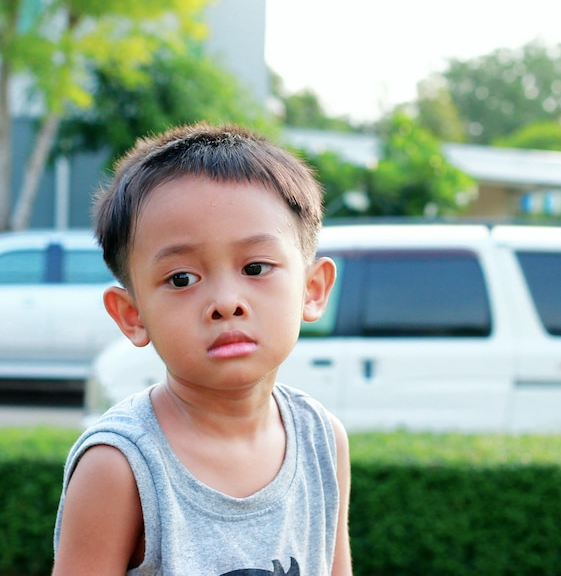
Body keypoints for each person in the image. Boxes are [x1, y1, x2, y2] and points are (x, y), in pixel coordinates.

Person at [52, 123, 352, 576]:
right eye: (181, 279)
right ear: (132, 315)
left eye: (255, 267)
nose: (226, 302)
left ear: (312, 289)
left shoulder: (322, 438)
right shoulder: (119, 466)